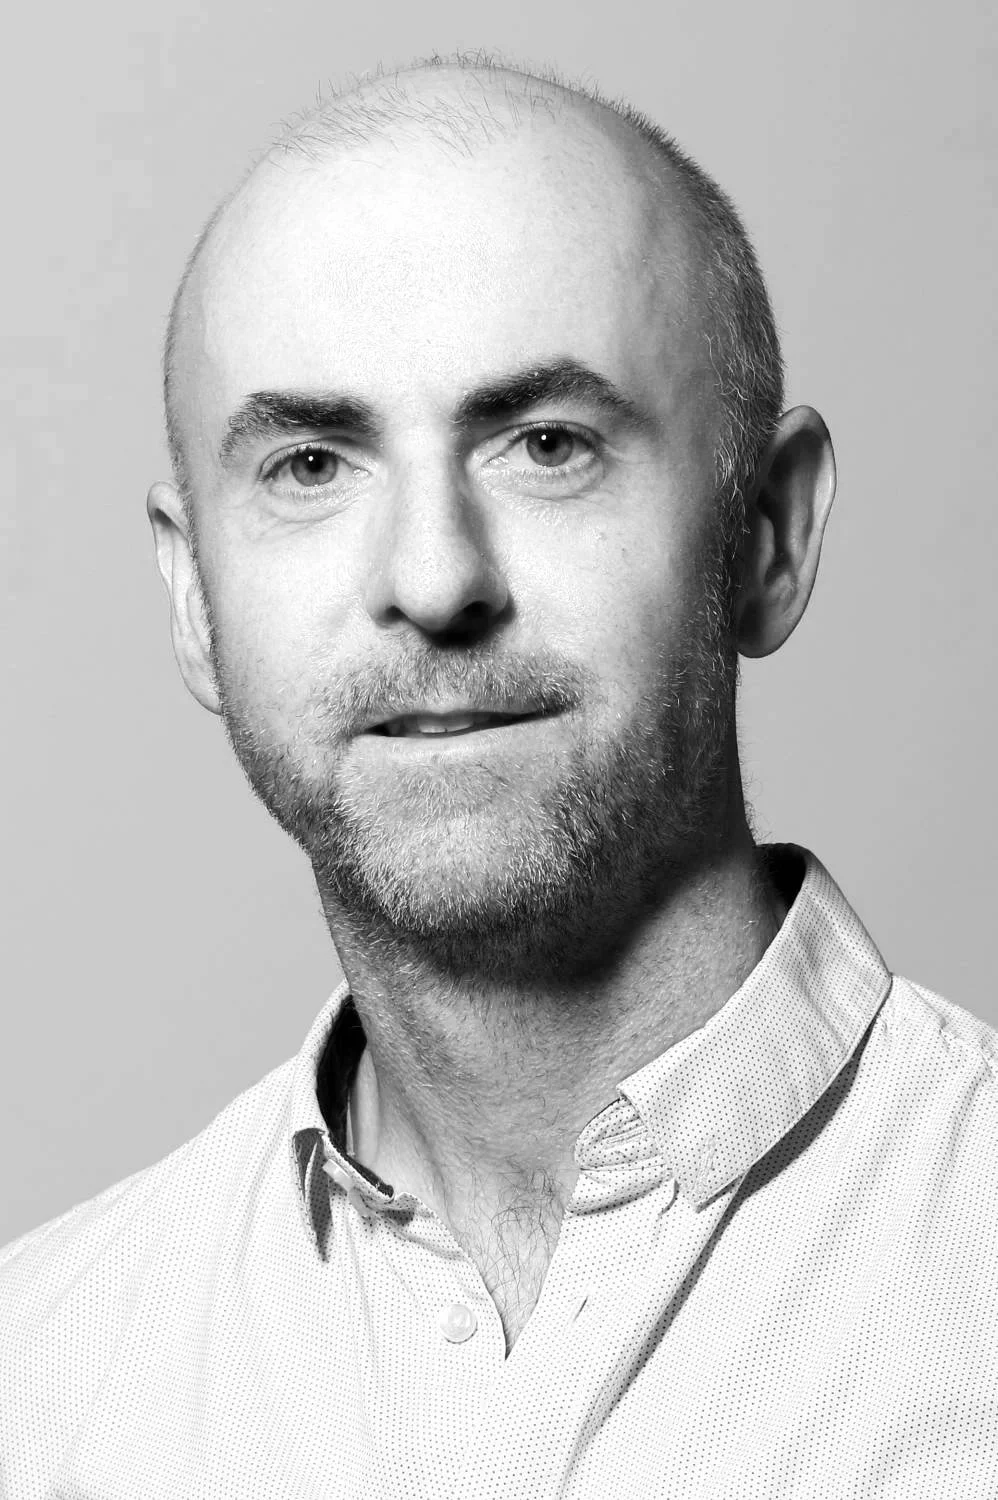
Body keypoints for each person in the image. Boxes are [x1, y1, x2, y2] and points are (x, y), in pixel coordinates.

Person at [2, 50, 996, 1499]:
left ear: (766, 537)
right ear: (193, 600)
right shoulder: (40, 1386)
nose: (431, 579)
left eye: (545, 446)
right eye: (309, 464)